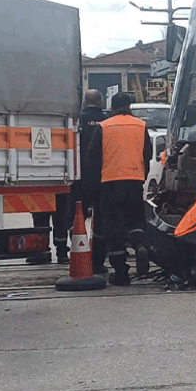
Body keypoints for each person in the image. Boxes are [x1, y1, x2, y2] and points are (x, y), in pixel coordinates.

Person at [84, 93, 152, 285]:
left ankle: (121, 272)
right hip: (135, 181)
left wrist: (92, 187)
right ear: (129, 106)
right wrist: (142, 175)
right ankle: (139, 245)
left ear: (112, 107)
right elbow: (147, 153)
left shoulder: (104, 126)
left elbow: (92, 158)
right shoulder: (141, 125)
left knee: (114, 228)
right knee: (136, 220)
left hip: (110, 183)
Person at [78, 89, 109, 273]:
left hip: (81, 176)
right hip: (104, 176)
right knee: (101, 219)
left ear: (84, 102)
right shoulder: (107, 121)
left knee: (78, 216)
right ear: (101, 101)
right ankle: (98, 262)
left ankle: (74, 253)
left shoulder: (78, 120)